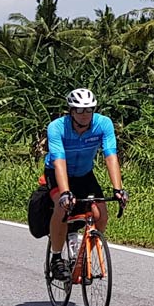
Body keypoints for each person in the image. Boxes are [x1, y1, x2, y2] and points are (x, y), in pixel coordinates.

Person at [44, 88, 127, 281]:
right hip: (57, 172)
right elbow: (59, 160)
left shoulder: (103, 124)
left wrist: (118, 189)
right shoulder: (57, 127)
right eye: (80, 110)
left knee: (101, 215)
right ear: (71, 111)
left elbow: (110, 156)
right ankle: (57, 259)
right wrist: (65, 192)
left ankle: (83, 258)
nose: (85, 115)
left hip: (84, 174)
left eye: (89, 110)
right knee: (62, 207)